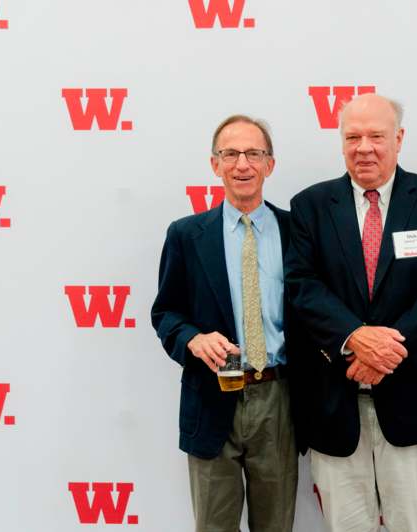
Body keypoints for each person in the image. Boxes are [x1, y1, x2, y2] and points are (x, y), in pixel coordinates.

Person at [285, 93, 417, 531]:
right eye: (353, 136)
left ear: (399, 139)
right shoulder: (310, 205)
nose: (363, 147)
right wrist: (355, 337)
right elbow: (302, 285)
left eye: (376, 136)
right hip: (335, 401)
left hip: (415, 398)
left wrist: (387, 348)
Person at [151, 115, 301, 532]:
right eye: (230, 153)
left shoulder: (297, 231)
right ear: (214, 164)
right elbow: (165, 313)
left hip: (279, 398)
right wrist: (193, 339)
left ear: (270, 164)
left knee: (276, 526)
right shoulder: (185, 235)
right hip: (211, 396)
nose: (242, 164)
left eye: (254, 153)